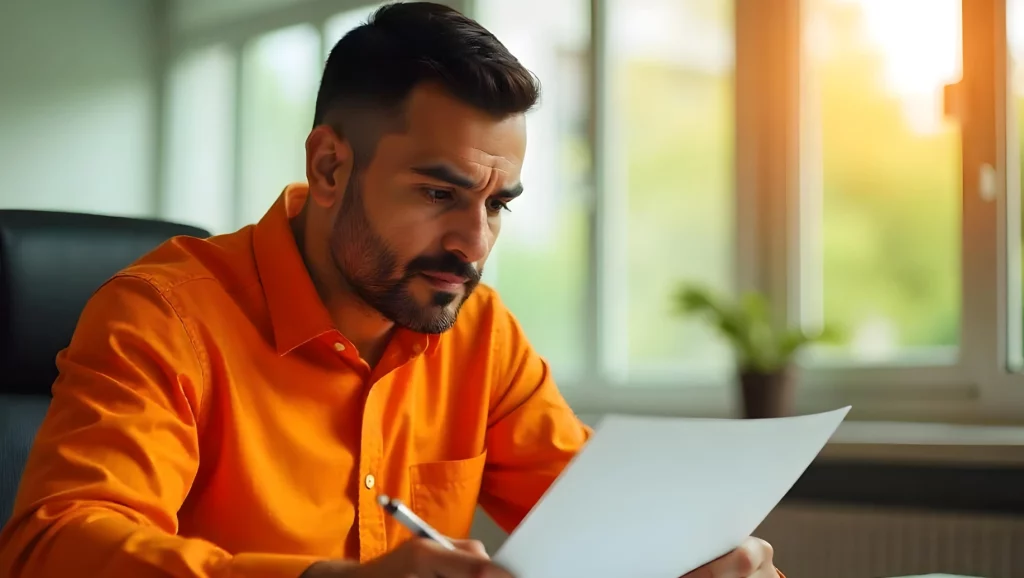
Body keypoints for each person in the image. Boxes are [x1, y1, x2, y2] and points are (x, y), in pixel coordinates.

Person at [0, 3, 781, 577]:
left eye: (497, 205)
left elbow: (611, 523)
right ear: (330, 166)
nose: (474, 246)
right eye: (440, 194)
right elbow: (55, 547)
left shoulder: (480, 335)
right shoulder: (163, 317)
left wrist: (697, 559)